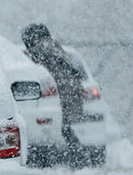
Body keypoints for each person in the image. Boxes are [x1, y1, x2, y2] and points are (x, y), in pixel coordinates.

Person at [21, 23, 87, 167]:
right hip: (67, 91)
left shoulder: (41, 49)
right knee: (64, 129)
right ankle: (78, 160)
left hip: (61, 93)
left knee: (61, 129)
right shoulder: (52, 47)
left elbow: (46, 70)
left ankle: (76, 160)